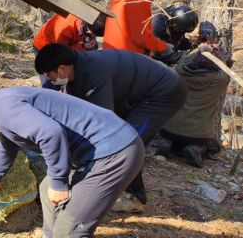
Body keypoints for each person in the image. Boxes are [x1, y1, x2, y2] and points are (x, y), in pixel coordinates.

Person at [0, 85, 144, 237]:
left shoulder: (3, 109)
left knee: (70, 230)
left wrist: (59, 183)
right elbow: (10, 142)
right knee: (46, 189)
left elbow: (50, 133)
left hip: (114, 151)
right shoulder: (1, 103)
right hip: (104, 147)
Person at [35, 43, 186, 212]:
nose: (49, 79)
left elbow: (103, 124)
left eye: (49, 75)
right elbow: (55, 98)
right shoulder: (73, 69)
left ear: (61, 69)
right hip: (135, 92)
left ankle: (134, 197)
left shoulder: (92, 73)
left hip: (163, 92)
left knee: (127, 142)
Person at [155, 44, 230, 167]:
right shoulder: (220, 80)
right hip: (197, 135)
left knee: (171, 135)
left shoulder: (180, 71)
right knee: (214, 146)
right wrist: (216, 53)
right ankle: (196, 149)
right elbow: (225, 69)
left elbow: (185, 60)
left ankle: (166, 142)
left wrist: (200, 50)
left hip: (170, 129)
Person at [103, 0, 174, 56]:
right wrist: (163, 47)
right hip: (127, 57)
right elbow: (142, 38)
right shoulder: (139, 1)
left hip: (111, 51)